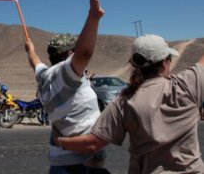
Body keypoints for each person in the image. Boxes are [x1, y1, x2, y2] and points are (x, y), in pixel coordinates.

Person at [54, 34, 204, 174]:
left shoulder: (124, 102)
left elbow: (92, 143)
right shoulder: (187, 84)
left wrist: (60, 141)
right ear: (165, 63)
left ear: (134, 65)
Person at [25, 0, 109, 174]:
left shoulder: (44, 76)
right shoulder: (66, 74)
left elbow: (35, 62)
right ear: (71, 54)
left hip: (59, 164)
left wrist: (30, 49)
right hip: (79, 167)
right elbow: (85, 53)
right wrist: (93, 17)